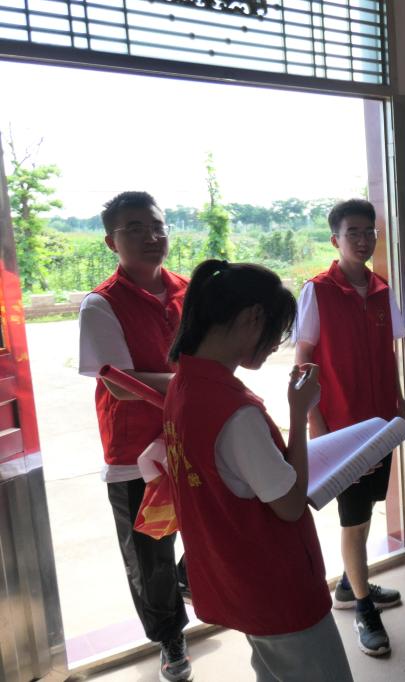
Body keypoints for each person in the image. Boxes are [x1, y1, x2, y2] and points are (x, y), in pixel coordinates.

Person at [164, 260, 352, 682]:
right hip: (277, 585)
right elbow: (289, 505)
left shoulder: (183, 386)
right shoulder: (235, 412)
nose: (273, 348)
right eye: (275, 334)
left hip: (238, 576)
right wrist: (299, 412)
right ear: (252, 318)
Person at [77, 191, 191, 682]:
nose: (152, 236)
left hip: (191, 437)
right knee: (150, 556)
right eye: (136, 228)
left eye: (158, 226)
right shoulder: (101, 304)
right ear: (111, 242)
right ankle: (170, 638)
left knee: (210, 523)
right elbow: (120, 385)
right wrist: (196, 381)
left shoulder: (191, 291)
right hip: (133, 450)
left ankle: (189, 581)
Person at [293, 198, 405, 657]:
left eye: (369, 232)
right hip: (341, 428)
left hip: (380, 424)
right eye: (353, 232)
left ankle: (348, 584)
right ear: (334, 239)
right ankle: (362, 608)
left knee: (367, 507)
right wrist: (315, 423)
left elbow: (389, 354)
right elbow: (304, 360)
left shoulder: (381, 290)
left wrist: (399, 407)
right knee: (354, 520)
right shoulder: (317, 292)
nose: (363, 240)